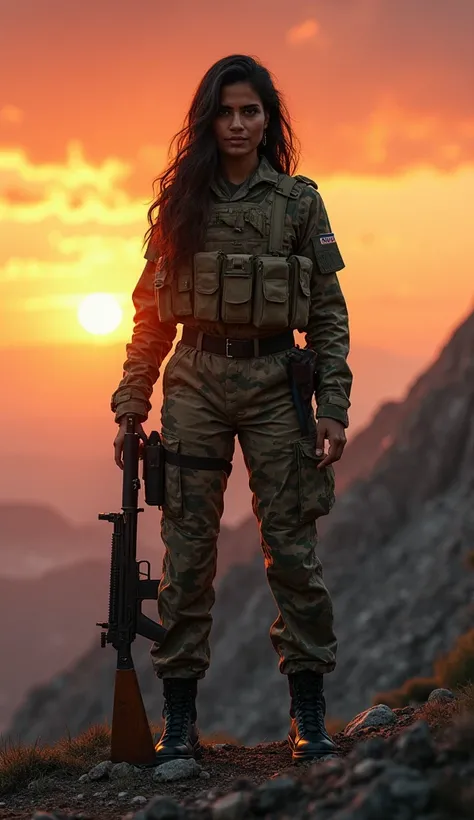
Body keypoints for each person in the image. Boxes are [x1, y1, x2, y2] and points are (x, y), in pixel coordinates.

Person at [111, 54, 352, 764]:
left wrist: (332, 404)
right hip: (197, 383)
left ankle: (308, 716)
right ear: (208, 120)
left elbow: (330, 314)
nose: (240, 124)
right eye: (227, 111)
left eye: (252, 111)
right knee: (187, 557)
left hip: (282, 384)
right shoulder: (183, 205)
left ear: (267, 120)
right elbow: (152, 316)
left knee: (294, 553)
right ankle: (179, 723)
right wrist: (133, 403)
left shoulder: (300, 202)